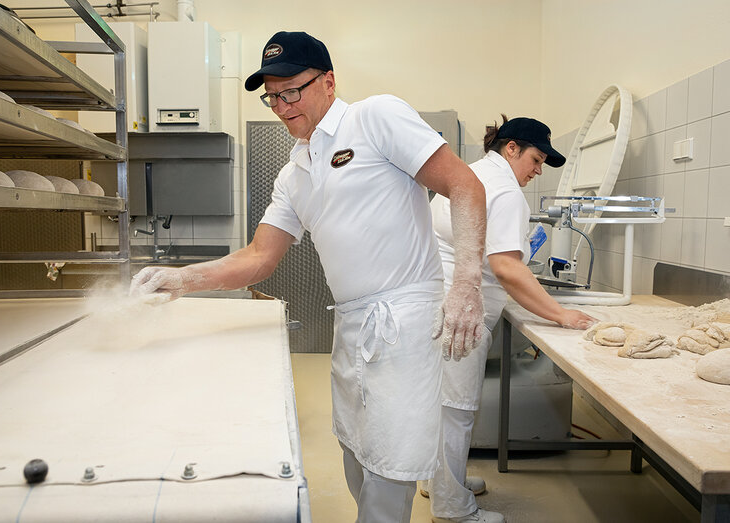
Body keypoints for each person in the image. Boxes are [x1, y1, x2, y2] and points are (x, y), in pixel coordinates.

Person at [130, 31, 488, 523]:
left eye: (291, 91)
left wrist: (466, 284)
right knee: (356, 454)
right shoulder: (294, 172)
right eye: (272, 96)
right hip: (352, 323)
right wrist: (181, 279)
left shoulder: (374, 117)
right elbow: (259, 257)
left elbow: (464, 183)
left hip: (404, 320)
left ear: (328, 82)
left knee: (390, 466)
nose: (280, 106)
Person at [427, 116, 597, 523]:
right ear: (512, 148)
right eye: (536, 159)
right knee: (455, 409)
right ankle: (452, 508)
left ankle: (438, 482)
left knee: (439, 406)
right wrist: (561, 315)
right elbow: (506, 267)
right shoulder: (503, 190)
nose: (537, 171)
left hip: (437, 304)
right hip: (460, 314)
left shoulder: (470, 173)